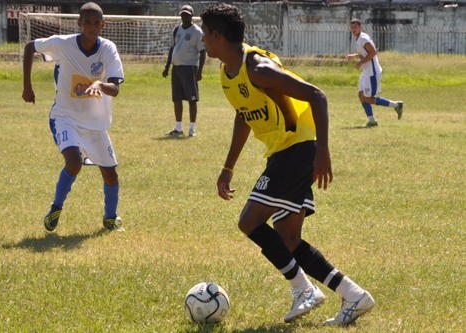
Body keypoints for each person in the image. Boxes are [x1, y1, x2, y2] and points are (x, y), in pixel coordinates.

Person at [200, 3, 375, 326]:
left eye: (204, 34)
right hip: (287, 151)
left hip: (297, 150)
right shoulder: (230, 72)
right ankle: (354, 295)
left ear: (217, 36)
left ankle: (303, 290)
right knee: (288, 237)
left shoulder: (257, 68)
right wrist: (228, 168)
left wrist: (322, 151)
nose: (202, 41)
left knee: (249, 222)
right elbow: (244, 116)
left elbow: (317, 96)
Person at [22, 2, 125, 232]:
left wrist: (100, 84)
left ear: (102, 25)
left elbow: (116, 89)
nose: (91, 27)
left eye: (96, 23)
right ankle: (56, 208)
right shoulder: (63, 44)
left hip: (95, 124)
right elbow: (30, 47)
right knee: (74, 161)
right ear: (79, 23)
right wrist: (27, 87)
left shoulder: (108, 48)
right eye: (87, 22)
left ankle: (110, 217)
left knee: (110, 174)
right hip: (64, 116)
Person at [346, 18, 403, 127]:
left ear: (360, 27)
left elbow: (373, 52)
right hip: (366, 72)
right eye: (352, 27)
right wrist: (354, 56)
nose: (353, 29)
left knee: (369, 98)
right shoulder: (358, 38)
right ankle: (372, 121)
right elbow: (363, 52)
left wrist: (360, 63)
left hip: (372, 73)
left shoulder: (363, 38)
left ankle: (396, 105)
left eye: (355, 27)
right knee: (361, 95)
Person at [162, 4, 206, 137]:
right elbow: (172, 49)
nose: (184, 16)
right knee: (177, 99)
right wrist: (167, 67)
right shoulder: (177, 29)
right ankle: (178, 128)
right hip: (177, 68)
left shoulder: (197, 32)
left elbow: (203, 52)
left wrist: (199, 72)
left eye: (187, 14)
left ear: (192, 16)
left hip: (190, 68)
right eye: (183, 14)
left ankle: (192, 129)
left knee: (192, 99)